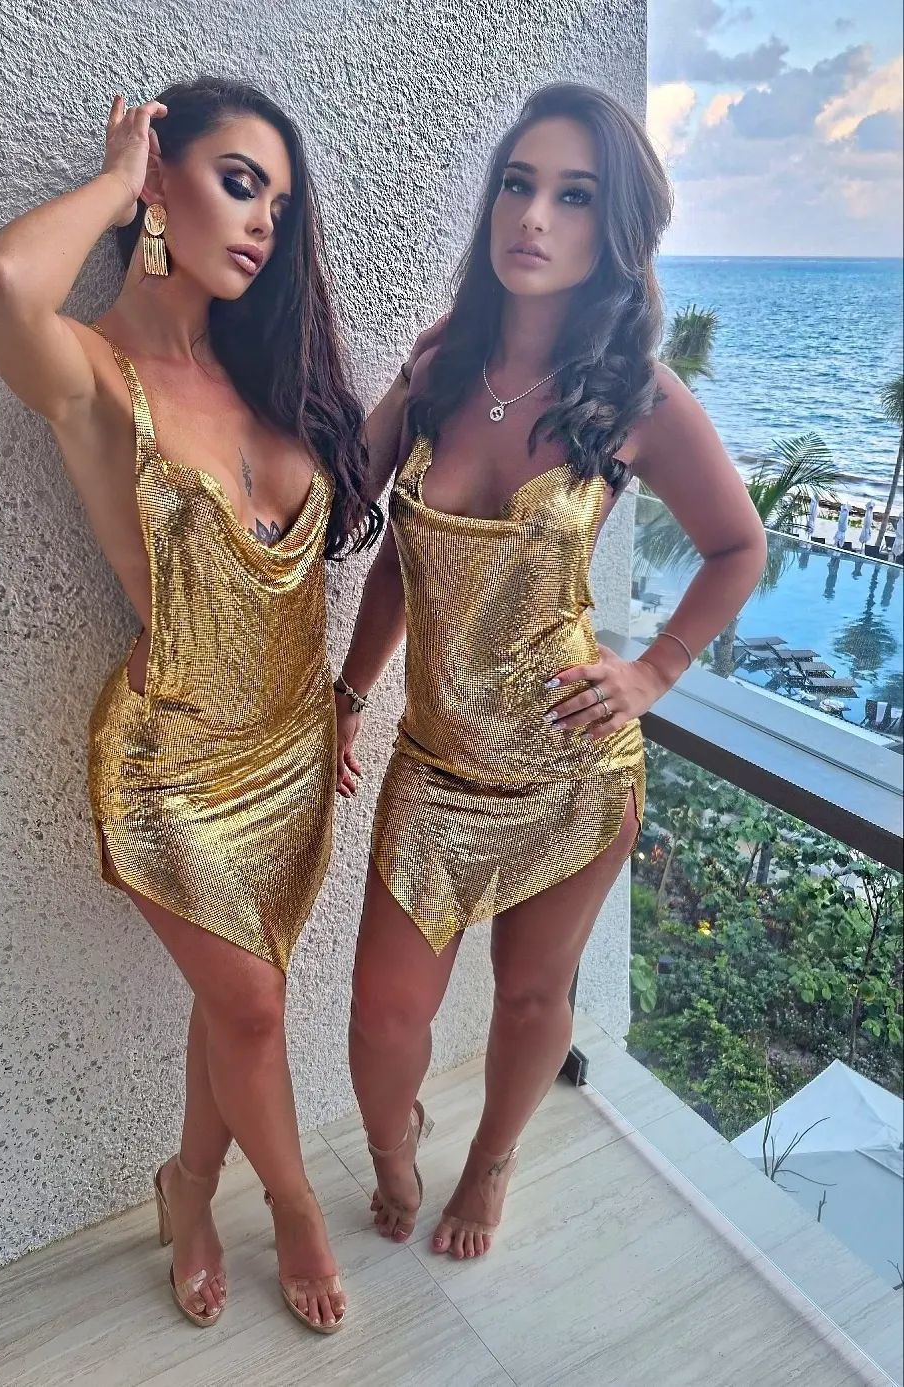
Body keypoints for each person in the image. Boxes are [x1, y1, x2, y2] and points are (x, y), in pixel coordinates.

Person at [0, 77, 380, 1332]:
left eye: (278, 206)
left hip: (292, 756)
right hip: (172, 768)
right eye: (238, 183)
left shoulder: (268, 378)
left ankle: (187, 1184)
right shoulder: (98, 373)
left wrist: (337, 703)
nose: (260, 223)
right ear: (162, 179)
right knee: (252, 1004)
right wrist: (111, 182)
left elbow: (295, 587)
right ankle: (293, 1211)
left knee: (233, 1000)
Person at [336, 82, 767, 1260]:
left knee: (531, 996)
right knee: (382, 1017)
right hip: (434, 766)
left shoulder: (635, 398)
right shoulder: (441, 372)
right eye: (517, 185)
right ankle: (392, 1147)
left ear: (613, 233)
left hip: (570, 767)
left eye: (573, 197)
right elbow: (383, 547)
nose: (532, 217)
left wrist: (652, 672)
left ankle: (490, 1160)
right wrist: (349, 693)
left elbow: (737, 547)